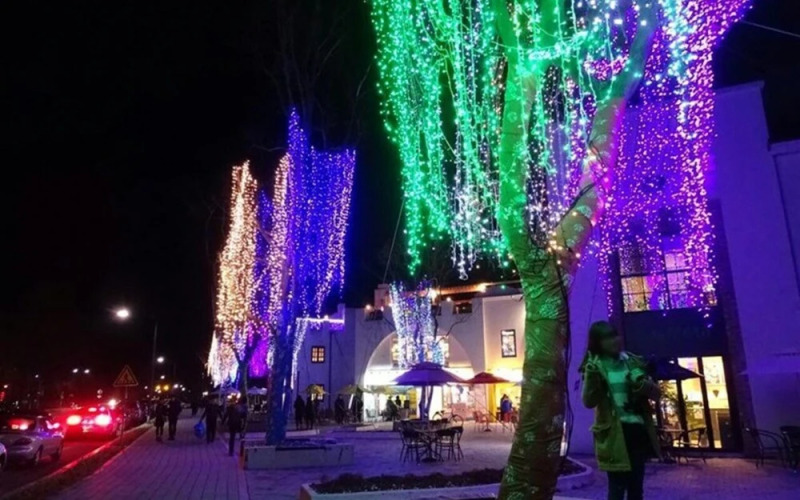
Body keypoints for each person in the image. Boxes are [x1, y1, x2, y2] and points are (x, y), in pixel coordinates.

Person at [580, 321, 661, 500]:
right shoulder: (596, 366)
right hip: (614, 434)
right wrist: (591, 376)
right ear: (598, 342)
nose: (615, 340)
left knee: (636, 488)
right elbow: (588, 402)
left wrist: (641, 385)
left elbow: (656, 394)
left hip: (637, 431)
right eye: (608, 337)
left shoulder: (631, 361)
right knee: (616, 488)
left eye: (615, 335)